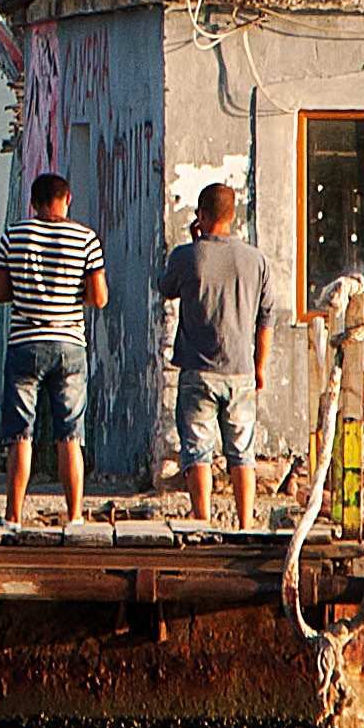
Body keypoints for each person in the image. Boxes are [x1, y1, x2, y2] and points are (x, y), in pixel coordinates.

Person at [0, 171, 107, 523]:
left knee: (20, 433)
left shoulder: (14, 235)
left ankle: (13, 516)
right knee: (70, 434)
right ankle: (74, 516)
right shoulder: (86, 239)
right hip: (69, 344)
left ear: (34, 203)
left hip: (25, 343)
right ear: (67, 199)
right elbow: (99, 298)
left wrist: (26, 293)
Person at [159, 183, 273, 526]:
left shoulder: (185, 256)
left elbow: (166, 289)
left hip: (197, 369)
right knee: (242, 452)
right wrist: (259, 367)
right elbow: (266, 318)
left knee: (197, 450)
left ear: (202, 215)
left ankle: (203, 519)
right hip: (241, 370)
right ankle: (245, 522)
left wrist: (196, 244)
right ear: (233, 215)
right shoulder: (256, 261)